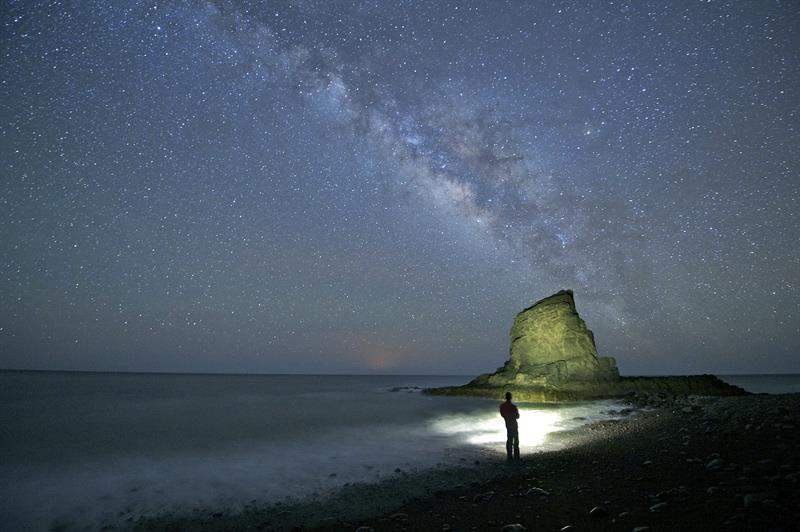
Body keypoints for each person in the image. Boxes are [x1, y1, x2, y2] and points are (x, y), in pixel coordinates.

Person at [499, 391, 520, 461]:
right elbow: (517, 416)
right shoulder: (513, 407)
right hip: (514, 424)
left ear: (505, 397)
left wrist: (508, 417)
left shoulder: (502, 406)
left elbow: (502, 415)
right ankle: (516, 457)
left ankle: (509, 457)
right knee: (516, 441)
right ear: (511, 397)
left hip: (508, 424)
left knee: (509, 440)